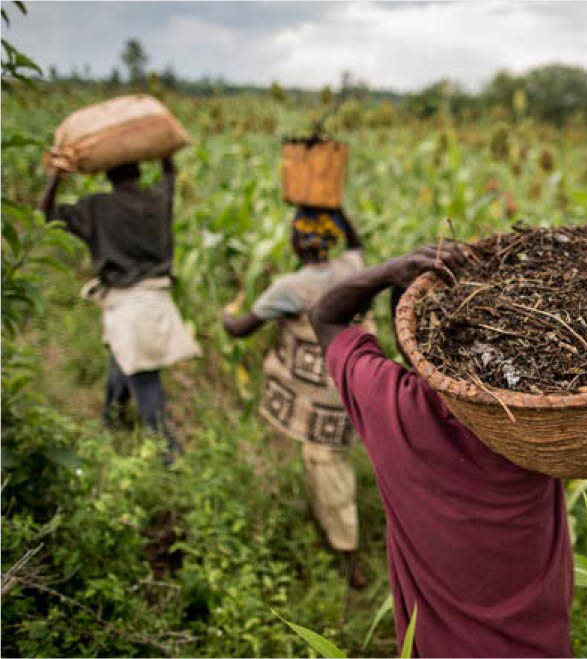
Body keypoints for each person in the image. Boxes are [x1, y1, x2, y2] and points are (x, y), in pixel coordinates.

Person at [308, 217, 587, 657]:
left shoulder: (390, 407)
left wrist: (391, 269)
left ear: (409, 343)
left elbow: (325, 316)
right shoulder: (534, 420)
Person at [222, 205, 370, 589]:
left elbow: (240, 329)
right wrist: (339, 210)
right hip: (354, 387)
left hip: (320, 399)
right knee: (328, 460)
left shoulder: (290, 288)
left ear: (296, 242)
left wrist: (227, 314)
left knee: (328, 470)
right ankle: (332, 528)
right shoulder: (350, 269)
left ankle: (349, 557)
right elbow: (357, 245)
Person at [38, 158, 200, 464]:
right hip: (155, 302)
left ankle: (170, 459)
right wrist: (164, 151)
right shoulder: (157, 200)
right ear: (139, 171)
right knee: (123, 361)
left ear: (108, 174)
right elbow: (170, 173)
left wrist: (56, 177)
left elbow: (45, 214)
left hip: (126, 307)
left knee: (145, 380)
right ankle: (111, 422)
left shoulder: (97, 208)